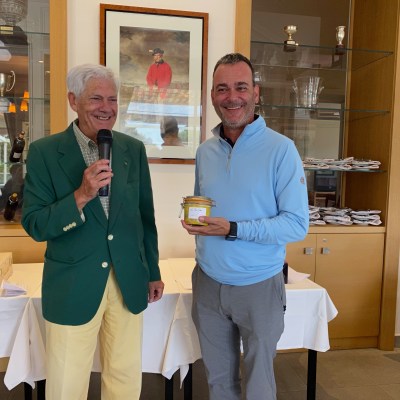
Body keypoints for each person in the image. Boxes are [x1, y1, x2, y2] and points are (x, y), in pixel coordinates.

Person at [22, 64, 164, 400]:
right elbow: (36, 224)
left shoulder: (132, 149)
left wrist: (152, 271)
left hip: (128, 279)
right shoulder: (44, 152)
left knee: (125, 379)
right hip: (73, 283)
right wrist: (81, 195)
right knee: (66, 384)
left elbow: (144, 217)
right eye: (96, 98)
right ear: (73, 100)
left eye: (112, 99)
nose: (106, 107)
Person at [181, 53, 309, 400]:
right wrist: (198, 224)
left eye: (241, 87)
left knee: (259, 384)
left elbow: (297, 225)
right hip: (208, 283)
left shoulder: (282, 150)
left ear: (255, 92)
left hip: (259, 286)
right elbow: (205, 205)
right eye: (222, 88)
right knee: (218, 382)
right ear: (212, 95)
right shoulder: (206, 151)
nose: (231, 97)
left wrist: (233, 229)